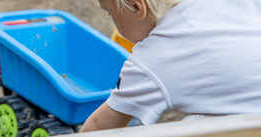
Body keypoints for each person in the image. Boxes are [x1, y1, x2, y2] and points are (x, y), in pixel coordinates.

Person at [80, 0, 261, 132]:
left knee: (193, 126)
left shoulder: (150, 61)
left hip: (253, 124)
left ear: (136, 7)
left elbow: (98, 127)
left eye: (109, 12)